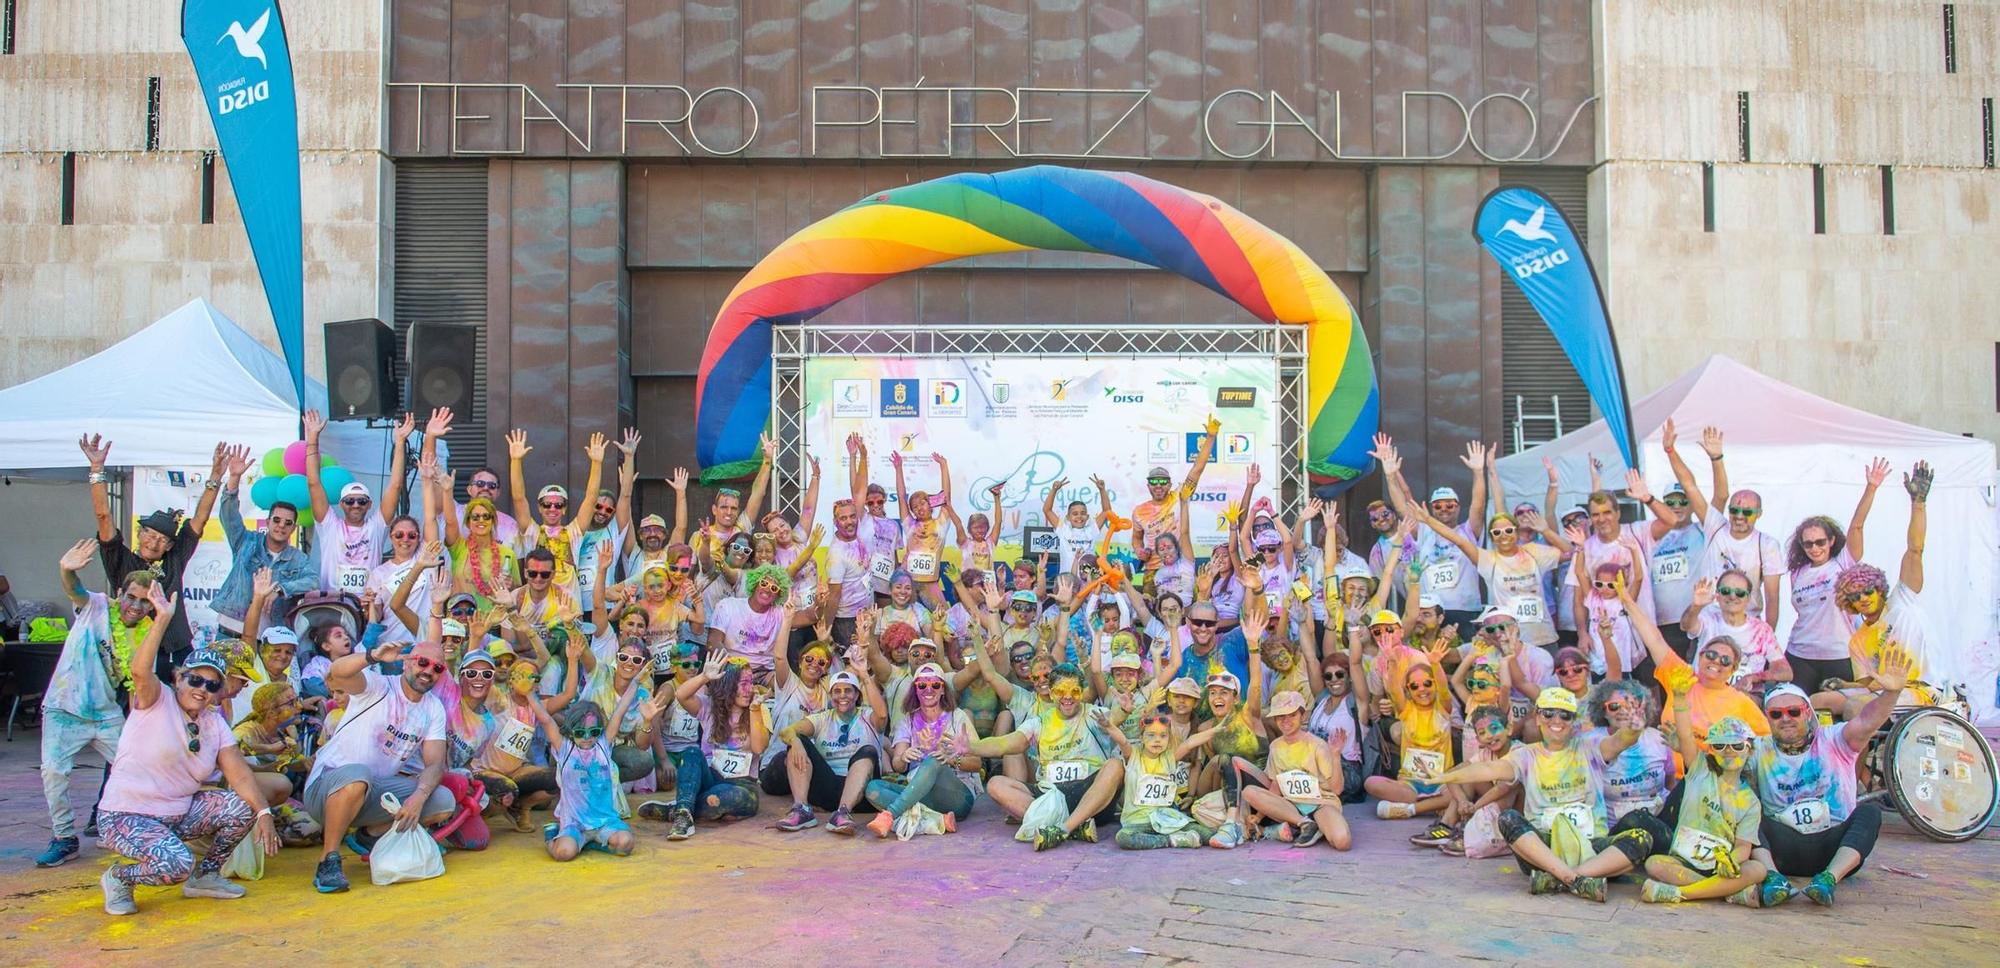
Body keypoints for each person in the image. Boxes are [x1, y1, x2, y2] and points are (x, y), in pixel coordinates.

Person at [94, 585, 279, 916]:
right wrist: (162, 618)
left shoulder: (213, 723)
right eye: (195, 680)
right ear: (179, 678)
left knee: (243, 806)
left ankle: (206, 876)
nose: (201, 689)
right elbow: (139, 671)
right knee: (175, 864)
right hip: (127, 815)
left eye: (211, 685)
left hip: (177, 814)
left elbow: (238, 773)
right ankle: (121, 877)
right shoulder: (156, 700)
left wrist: (264, 813)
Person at [1433, 687, 1641, 902]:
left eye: (1565, 714)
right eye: (1548, 713)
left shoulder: (1589, 746)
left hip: (1590, 845)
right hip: (1541, 848)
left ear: (1573, 720)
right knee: (1508, 819)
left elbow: (1620, 741)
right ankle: (1576, 879)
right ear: (1538, 717)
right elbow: (1487, 769)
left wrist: (1634, 726)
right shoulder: (1526, 755)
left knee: (1641, 838)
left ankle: (1560, 879)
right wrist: (1444, 777)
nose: (1556, 720)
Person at [299, 637, 457, 894]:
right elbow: (337, 673)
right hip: (326, 789)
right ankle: (328, 860)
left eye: (437, 668)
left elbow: (435, 763)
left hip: (372, 791)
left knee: (442, 800)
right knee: (358, 775)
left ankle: (369, 835)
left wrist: (419, 795)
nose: (429, 671)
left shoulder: (433, 708)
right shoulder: (379, 685)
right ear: (407, 663)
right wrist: (372, 656)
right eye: (423, 662)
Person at [1749, 653, 1908, 908]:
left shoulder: (1834, 739)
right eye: (1776, 714)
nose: (1786, 718)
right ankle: (1773, 879)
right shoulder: (1758, 748)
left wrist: (1891, 694)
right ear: (1767, 719)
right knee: (1745, 808)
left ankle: (1827, 880)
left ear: (1808, 713)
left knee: (1869, 812)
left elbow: (1867, 722)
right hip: (1782, 850)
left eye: (1793, 711)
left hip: (1833, 846)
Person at [36, 540, 151, 868]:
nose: (135, 606)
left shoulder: (145, 635)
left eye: (144, 602)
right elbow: (75, 590)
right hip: (63, 706)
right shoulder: (97, 606)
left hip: (106, 715)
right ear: (120, 594)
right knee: (54, 773)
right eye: (131, 597)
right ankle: (64, 837)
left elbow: (139, 686)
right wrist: (66, 569)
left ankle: (132, 827)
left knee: (136, 770)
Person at [79, 435, 235, 668]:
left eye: (162, 539)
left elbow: (200, 519)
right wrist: (97, 469)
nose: (154, 543)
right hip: (135, 647)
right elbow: (103, 517)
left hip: (179, 648)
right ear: (139, 533)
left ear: (170, 545)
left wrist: (215, 476)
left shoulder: (174, 558)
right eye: (150, 535)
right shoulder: (120, 560)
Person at [1817, 461, 1942, 714]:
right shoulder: (1858, 640)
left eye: (1867, 591)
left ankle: (1852, 756)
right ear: (1848, 602)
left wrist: (1918, 503)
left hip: (1920, 690)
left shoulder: (1901, 601)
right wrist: (1843, 684)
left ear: (1880, 589)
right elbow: (1866, 684)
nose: (1862, 598)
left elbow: (1915, 550)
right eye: (1854, 596)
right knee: (1817, 702)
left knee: (1856, 707)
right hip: (1882, 692)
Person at [968, 662, 1125, 852]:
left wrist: (1123, 710)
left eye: (1074, 691)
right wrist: (969, 747)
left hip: (1092, 797)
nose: (1067, 697)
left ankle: (1062, 829)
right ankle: (1076, 827)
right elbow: (1006, 743)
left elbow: (1113, 718)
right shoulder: (1039, 722)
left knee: (1115, 765)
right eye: (1060, 691)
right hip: (1051, 797)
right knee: (996, 785)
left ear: (1081, 693)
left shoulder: (1092, 714)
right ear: (1051, 693)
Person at [1782, 459, 1890, 690]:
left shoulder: (1843, 564)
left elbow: (1857, 526)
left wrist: (1871, 488)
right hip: (1800, 653)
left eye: (1820, 542)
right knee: (1800, 709)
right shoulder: (1797, 573)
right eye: (1808, 544)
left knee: (1843, 710)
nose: (1814, 548)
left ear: (1831, 541)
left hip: (1840, 653)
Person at [1664, 423, 1785, 626]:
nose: (1739, 516)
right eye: (1734, 511)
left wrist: (1769, 636)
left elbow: (1773, 597)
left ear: (1759, 515)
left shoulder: (1767, 544)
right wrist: (1670, 451)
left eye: (1747, 512)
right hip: (1710, 621)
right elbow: (1689, 486)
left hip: (1747, 623)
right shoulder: (1716, 527)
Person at [532, 675, 662, 861]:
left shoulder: (602, 744)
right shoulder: (565, 747)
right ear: (570, 731)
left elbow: (619, 711)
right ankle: (551, 839)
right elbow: (545, 719)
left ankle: (591, 843)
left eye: (593, 732)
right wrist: (529, 694)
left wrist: (635, 683)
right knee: (563, 854)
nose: (587, 737)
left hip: (605, 822)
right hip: (574, 823)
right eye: (580, 733)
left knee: (626, 844)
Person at [1621, 578, 1769, 739]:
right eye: (1711, 655)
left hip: (1711, 764)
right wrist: (1626, 600)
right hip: (1671, 763)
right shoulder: (1682, 678)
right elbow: (1655, 640)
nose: (1716, 661)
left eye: (1725, 660)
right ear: (1700, 656)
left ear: (1733, 669)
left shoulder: (1741, 702)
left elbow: (1765, 743)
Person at [1372, 435, 1489, 635]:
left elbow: (1478, 505)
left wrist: (1478, 473)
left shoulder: (1469, 530)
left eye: (1450, 505)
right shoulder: (1424, 530)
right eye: (1438, 506)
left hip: (1466, 609)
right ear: (1432, 509)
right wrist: (1390, 476)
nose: (1444, 509)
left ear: (1458, 507)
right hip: (1429, 610)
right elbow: (1401, 507)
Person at [302, 409, 416, 597]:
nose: (356, 505)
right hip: (333, 604)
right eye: (350, 501)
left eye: (361, 501)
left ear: (369, 505)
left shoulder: (376, 527)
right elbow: (313, 483)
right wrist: (313, 438)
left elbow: (395, 486)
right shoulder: (330, 525)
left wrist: (401, 442)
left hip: (366, 606)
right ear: (341, 504)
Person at [864, 662, 983, 837]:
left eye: (935, 685)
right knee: (873, 789)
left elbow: (977, 763)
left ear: (943, 690)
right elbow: (897, 766)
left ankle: (891, 815)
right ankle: (935, 820)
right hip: (920, 794)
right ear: (915, 690)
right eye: (922, 685)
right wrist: (903, 756)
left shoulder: (958, 716)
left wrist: (951, 759)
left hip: (958, 796)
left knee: (934, 759)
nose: (929, 690)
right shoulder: (907, 721)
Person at [213, 450, 318, 636]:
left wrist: (280, 588)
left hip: (267, 637)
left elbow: (313, 582)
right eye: (276, 520)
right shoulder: (246, 541)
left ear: (294, 528)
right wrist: (235, 477)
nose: (281, 526)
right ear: (268, 522)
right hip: (232, 628)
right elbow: (228, 515)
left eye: (288, 523)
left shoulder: (297, 558)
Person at [667, 654, 771, 838]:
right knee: (691, 752)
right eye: (743, 683)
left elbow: (759, 748)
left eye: (751, 682)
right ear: (727, 685)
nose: (750, 689)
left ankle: (681, 805)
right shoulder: (709, 707)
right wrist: (704, 677)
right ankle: (683, 815)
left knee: (717, 799)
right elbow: (681, 695)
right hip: (711, 777)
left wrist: (755, 710)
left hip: (742, 786)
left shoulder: (759, 709)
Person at [774, 668, 887, 834]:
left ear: (857, 695)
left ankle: (842, 813)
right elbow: (787, 731)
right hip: (828, 788)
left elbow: (883, 715)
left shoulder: (868, 715)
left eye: (848, 691)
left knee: (868, 751)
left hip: (861, 793)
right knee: (798, 741)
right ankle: (801, 810)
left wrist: (864, 676)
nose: (842, 696)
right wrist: (795, 741)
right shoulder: (822, 718)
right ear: (831, 696)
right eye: (837, 691)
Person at [1237, 690, 1353, 850]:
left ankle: (1314, 826)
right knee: (1249, 791)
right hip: (1290, 805)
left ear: (1302, 716)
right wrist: (1259, 816)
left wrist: (1335, 755)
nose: (1286, 721)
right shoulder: (1275, 746)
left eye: (1292, 715)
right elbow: (1276, 785)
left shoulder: (1317, 745)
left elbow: (1337, 789)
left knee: (1342, 842)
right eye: (1280, 716)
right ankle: (1305, 824)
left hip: (1320, 803)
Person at [1101, 710, 1214, 850]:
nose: (1157, 740)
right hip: (1138, 821)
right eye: (1151, 735)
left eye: (1163, 736)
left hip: (1166, 819)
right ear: (1142, 738)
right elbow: (1122, 741)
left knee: (1208, 835)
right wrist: (1109, 726)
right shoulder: (1133, 755)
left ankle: (1182, 835)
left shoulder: (1169, 757)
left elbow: (1190, 743)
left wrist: (1217, 729)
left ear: (1168, 739)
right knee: (1123, 838)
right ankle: (1171, 840)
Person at [1130, 416, 1219, 563]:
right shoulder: (1139, 511)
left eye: (1163, 481)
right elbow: (1137, 538)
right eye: (1154, 482)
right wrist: (1139, 550)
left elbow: (1197, 469)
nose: (1158, 485)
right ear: (1148, 486)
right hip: (1153, 570)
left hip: (1180, 568)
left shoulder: (1180, 495)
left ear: (1170, 485)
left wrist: (1210, 437)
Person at [1680, 572, 1788, 689]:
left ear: (1748, 599)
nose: (1732, 596)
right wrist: (1696, 606)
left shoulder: (1762, 630)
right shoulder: (1708, 619)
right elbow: (1686, 625)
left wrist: (1752, 677)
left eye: (1740, 593)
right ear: (1717, 595)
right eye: (1726, 591)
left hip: (1745, 699)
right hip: (1706, 694)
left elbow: (1785, 672)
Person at [1042, 474, 1111, 574]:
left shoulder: (1092, 530)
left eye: (1083, 513)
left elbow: (1107, 511)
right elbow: (1047, 510)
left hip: (1088, 582)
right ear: (1068, 517)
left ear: (1087, 516)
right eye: (1075, 514)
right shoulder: (1063, 529)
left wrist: (1102, 490)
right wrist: (1054, 490)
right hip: (1067, 581)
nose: (1079, 516)